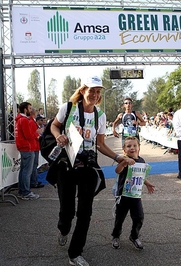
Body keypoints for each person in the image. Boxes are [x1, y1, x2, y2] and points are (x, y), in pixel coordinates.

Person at [50, 76, 134, 266]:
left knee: (85, 212)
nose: (95, 95)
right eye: (92, 90)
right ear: (82, 91)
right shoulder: (68, 108)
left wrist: (117, 157)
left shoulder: (100, 115)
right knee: (67, 210)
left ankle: (75, 253)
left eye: (98, 91)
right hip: (67, 165)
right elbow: (54, 125)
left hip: (88, 166)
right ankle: (63, 229)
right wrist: (59, 136)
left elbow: (101, 144)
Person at [111, 136, 155, 250]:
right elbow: (117, 170)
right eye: (129, 146)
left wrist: (148, 184)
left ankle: (134, 236)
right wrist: (124, 163)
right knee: (120, 218)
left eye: (135, 145)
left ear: (139, 148)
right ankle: (116, 236)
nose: (132, 148)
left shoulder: (141, 161)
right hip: (123, 195)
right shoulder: (124, 159)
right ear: (124, 149)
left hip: (135, 196)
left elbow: (141, 176)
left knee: (139, 217)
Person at [15, 102, 40, 200]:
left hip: (23, 147)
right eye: (29, 108)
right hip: (27, 147)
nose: (31, 110)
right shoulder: (24, 120)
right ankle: (25, 192)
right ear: (25, 109)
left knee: (23, 170)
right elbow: (28, 136)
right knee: (27, 171)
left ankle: (22, 191)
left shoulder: (19, 120)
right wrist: (36, 133)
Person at [29, 107, 44, 189]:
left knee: (34, 165)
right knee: (34, 165)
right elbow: (32, 135)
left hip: (35, 146)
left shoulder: (32, 122)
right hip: (33, 146)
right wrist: (38, 134)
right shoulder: (31, 122)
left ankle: (34, 181)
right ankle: (33, 182)